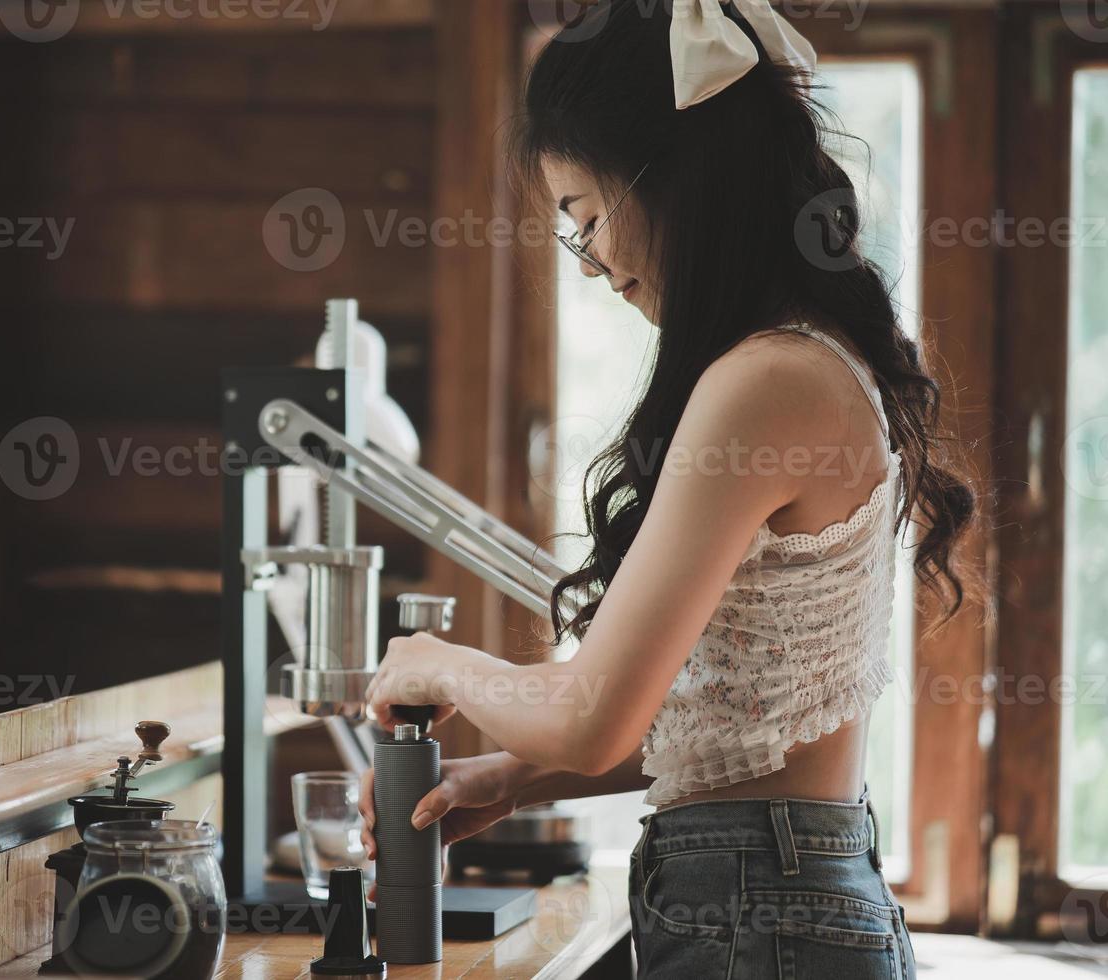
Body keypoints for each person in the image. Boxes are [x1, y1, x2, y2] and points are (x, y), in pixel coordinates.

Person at [358, 1, 978, 975]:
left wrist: (434, 659)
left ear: (672, 180)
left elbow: (593, 709)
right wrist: (516, 778)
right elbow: (743, 728)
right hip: (779, 889)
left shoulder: (765, 381)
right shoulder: (802, 362)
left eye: (586, 219)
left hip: (758, 907)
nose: (597, 264)